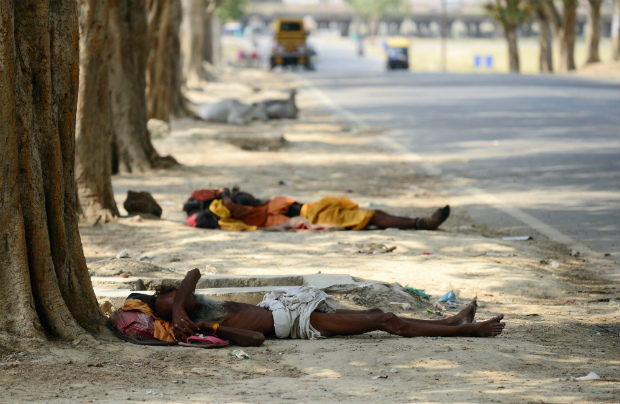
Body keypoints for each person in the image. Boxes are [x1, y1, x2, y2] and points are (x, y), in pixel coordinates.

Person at [136, 269, 505, 347]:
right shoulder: (187, 328)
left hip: (291, 309)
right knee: (385, 320)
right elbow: (255, 339)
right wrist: (207, 330)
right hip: (295, 323)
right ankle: (464, 328)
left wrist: (181, 309)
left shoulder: (173, 304)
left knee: (383, 318)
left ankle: (453, 321)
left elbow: (193, 273)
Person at [218, 190, 451, 231]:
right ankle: (422, 223)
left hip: (318, 208)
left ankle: (420, 223)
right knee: (374, 215)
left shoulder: (264, 204)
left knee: (373, 217)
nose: (249, 195)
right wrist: (224, 193)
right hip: (317, 215)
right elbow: (231, 206)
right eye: (244, 198)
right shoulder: (257, 214)